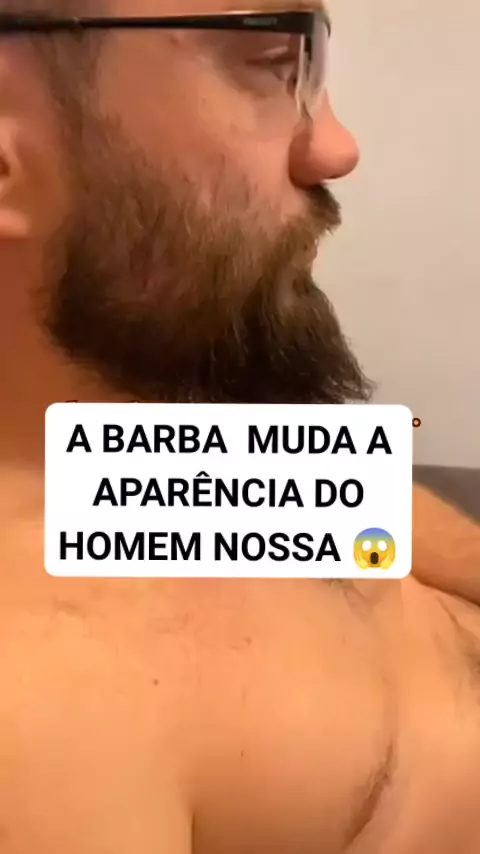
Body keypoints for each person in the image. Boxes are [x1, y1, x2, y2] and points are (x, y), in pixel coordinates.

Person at [0, 1, 479, 851]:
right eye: (269, 62)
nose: (336, 146)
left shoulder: (117, 445)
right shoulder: (33, 704)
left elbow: (361, 512)